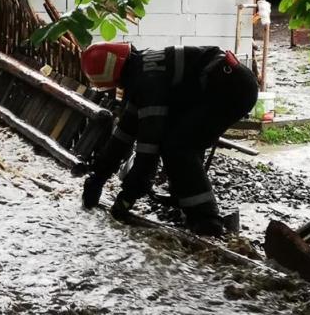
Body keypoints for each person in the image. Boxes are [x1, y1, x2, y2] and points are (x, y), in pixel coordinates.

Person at [79, 42, 258, 236]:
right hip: (227, 83)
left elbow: (148, 150)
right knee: (179, 138)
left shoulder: (148, 83)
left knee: (178, 146)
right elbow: (123, 134)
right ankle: (184, 198)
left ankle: (206, 221)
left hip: (231, 89)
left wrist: (127, 198)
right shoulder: (142, 70)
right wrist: (97, 177)